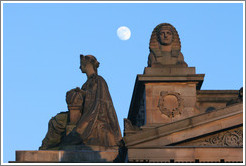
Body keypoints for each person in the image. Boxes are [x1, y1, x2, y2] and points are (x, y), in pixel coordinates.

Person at [39, 55, 122, 150]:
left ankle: (49, 148)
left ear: (86, 65)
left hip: (92, 115)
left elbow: (101, 101)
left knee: (59, 122)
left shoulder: (99, 80)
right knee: (55, 121)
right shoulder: (86, 83)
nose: (79, 67)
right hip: (83, 113)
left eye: (81, 65)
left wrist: (82, 94)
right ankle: (48, 147)